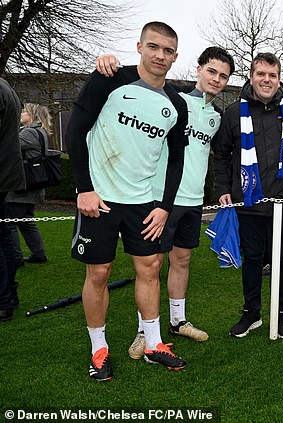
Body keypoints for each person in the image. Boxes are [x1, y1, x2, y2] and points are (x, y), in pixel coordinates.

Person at [66, 21, 189, 382]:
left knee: (150, 269)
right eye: (154, 47)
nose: (160, 56)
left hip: (143, 203)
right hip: (100, 198)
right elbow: (75, 130)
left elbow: (177, 158)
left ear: (175, 57)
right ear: (139, 46)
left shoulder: (176, 104)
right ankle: (99, 350)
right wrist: (83, 187)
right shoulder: (109, 79)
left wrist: (165, 206)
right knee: (99, 274)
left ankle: (153, 345)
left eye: (168, 51)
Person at [94, 47, 236, 356]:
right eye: (211, 71)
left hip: (193, 200)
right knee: (151, 265)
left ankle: (177, 321)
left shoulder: (217, 116)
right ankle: (145, 331)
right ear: (198, 69)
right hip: (160, 199)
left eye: (223, 75)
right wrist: (108, 65)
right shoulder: (172, 101)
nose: (216, 79)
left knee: (182, 261)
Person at [214, 52, 283, 339]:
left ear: (279, 78)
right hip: (248, 203)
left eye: (272, 75)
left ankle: (280, 315)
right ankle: (252, 313)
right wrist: (222, 189)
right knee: (252, 260)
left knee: (282, 261)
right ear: (251, 77)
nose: (266, 80)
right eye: (261, 74)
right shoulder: (234, 112)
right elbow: (221, 154)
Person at [7, 103, 51, 267]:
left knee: (9, 221)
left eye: (24, 111)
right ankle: (38, 254)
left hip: (22, 186)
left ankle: (15, 258)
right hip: (33, 185)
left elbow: (8, 146)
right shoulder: (39, 131)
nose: (21, 113)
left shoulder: (29, 133)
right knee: (26, 221)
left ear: (33, 115)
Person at [0, 77, 24, 322]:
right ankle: (8, 295)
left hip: (3, 172)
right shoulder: (6, 86)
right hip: (6, 173)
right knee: (5, 232)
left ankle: (3, 299)